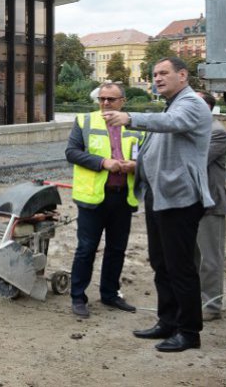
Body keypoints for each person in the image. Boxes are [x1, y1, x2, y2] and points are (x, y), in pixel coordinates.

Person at [104, 57, 214, 353]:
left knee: (180, 267)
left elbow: (170, 124)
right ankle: (168, 321)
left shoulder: (190, 103)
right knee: (161, 263)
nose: (158, 78)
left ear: (182, 75)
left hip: (181, 198)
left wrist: (130, 118)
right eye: (154, 74)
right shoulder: (173, 103)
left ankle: (189, 332)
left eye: (164, 73)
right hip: (161, 195)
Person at [65, 81, 144, 319]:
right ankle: (78, 297)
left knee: (117, 249)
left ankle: (110, 294)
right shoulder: (85, 121)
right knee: (86, 249)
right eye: (102, 99)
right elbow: (72, 152)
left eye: (111, 99)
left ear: (123, 101)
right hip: (93, 198)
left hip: (123, 197)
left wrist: (136, 166)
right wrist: (103, 163)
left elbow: (149, 156)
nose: (106, 103)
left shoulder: (137, 126)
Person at [195, 91, 226, 322]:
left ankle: (211, 305)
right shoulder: (195, 130)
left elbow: (194, 161)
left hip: (210, 204)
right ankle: (195, 300)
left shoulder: (216, 132)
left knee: (209, 258)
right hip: (189, 203)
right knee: (192, 257)